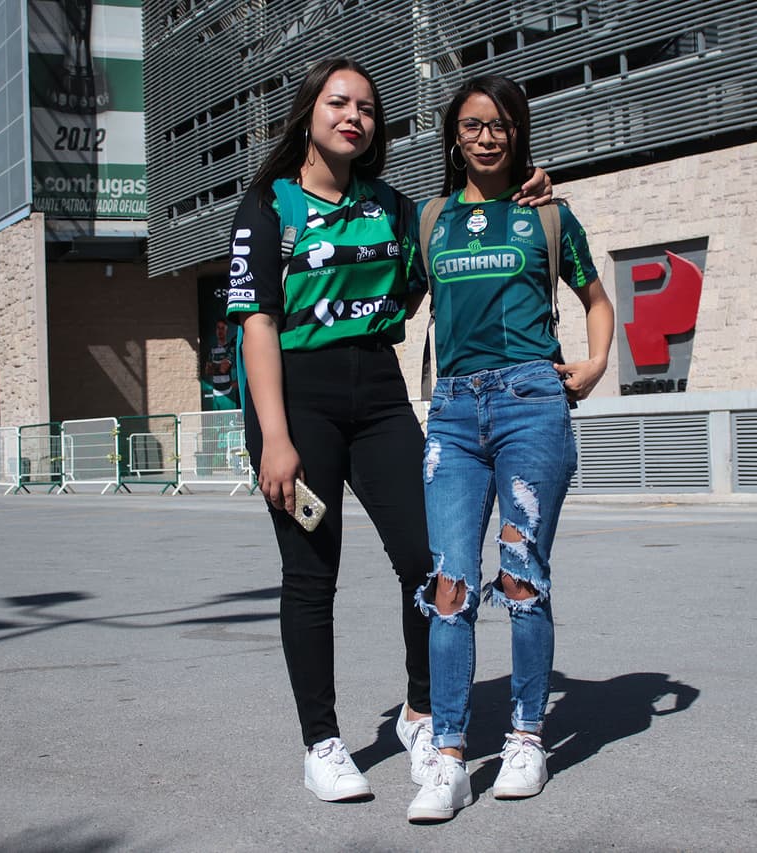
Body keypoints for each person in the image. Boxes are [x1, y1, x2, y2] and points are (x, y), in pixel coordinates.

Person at [224, 58, 551, 805]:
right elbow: (258, 326)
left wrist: (531, 189)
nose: (354, 116)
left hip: (378, 394)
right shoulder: (266, 206)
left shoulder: (400, 210)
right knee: (312, 574)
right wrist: (275, 437)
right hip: (296, 399)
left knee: (430, 562)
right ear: (309, 112)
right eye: (339, 102)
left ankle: (418, 710)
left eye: (367, 108)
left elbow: (465, 243)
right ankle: (323, 741)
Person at [406, 75, 614, 823]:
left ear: (518, 132)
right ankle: (451, 756)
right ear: (453, 136)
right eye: (472, 125)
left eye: (499, 125)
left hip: (533, 403)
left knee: (522, 575)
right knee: (451, 584)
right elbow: (389, 301)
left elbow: (595, 298)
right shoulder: (429, 220)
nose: (486, 136)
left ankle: (527, 736)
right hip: (455, 414)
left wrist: (590, 367)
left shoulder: (547, 216)